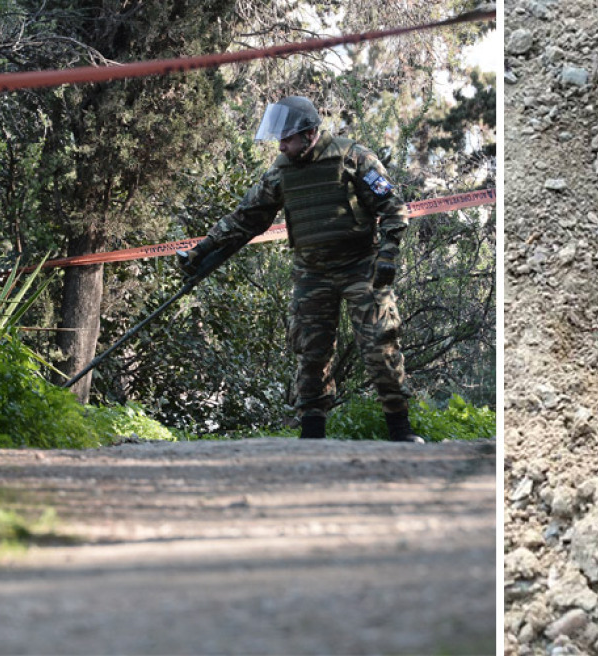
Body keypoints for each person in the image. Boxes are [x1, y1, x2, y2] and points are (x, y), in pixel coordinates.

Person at [178, 96, 424, 443]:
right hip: (312, 272)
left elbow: (394, 208)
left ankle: (401, 432)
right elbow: (247, 218)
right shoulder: (281, 171)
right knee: (311, 353)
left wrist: (388, 255)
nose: (281, 145)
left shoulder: (353, 157)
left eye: (287, 138)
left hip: (361, 267)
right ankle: (312, 439)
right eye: (279, 139)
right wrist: (201, 250)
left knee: (379, 346)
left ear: (309, 134)